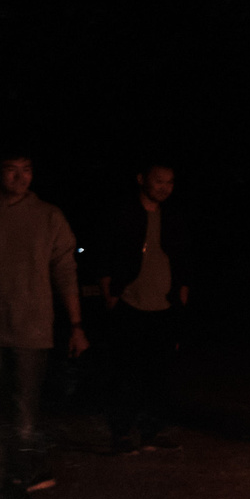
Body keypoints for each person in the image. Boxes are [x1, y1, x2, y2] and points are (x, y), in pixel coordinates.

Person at [0, 152, 88, 494]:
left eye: (27, 170)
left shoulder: (48, 216)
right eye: (12, 170)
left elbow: (65, 272)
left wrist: (76, 323)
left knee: (24, 403)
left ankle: (25, 472)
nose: (20, 178)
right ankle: (18, 467)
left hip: (31, 326)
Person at [91, 160, 189, 455]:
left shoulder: (173, 217)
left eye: (170, 182)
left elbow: (183, 256)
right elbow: (104, 250)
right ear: (141, 179)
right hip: (129, 301)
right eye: (159, 180)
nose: (164, 187)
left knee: (159, 372)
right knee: (125, 372)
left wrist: (182, 290)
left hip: (164, 303)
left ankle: (150, 431)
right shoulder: (123, 213)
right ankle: (121, 433)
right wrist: (110, 289)